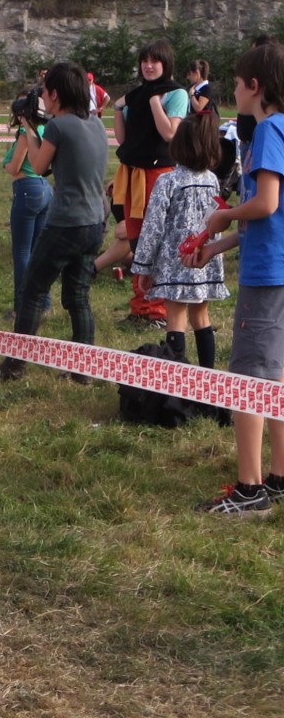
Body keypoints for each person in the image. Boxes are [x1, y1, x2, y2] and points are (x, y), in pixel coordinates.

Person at [185, 43, 284, 515]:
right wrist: (217, 246)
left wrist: (222, 216)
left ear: (254, 87)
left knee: (248, 376)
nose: (235, 92)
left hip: (268, 277)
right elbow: (270, 219)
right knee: (276, 375)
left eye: (239, 83)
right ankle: (279, 475)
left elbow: (264, 205)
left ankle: (250, 490)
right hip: (278, 269)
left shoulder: (268, 130)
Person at [0, 62, 109, 384]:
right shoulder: (94, 123)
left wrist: (28, 128)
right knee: (78, 297)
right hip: (95, 222)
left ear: (55, 94)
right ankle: (84, 372)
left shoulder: (58, 126)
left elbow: (38, 166)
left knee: (32, 292)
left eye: (45, 94)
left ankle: (14, 365)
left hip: (66, 222)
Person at [132, 110, 229, 370]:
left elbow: (152, 226)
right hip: (205, 259)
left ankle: (179, 382)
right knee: (201, 316)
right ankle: (208, 375)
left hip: (176, 263)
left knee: (176, 319)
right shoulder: (212, 181)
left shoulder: (168, 181)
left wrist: (143, 266)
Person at [111, 39, 189, 330]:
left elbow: (170, 133)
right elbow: (122, 139)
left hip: (159, 173)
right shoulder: (135, 95)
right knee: (136, 238)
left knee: (156, 238)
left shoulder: (176, 93)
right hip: (132, 172)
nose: (149, 65)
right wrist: (119, 109)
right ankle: (140, 307)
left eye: (155, 61)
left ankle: (157, 311)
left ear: (165, 64)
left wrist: (155, 101)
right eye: (145, 60)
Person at [2, 89, 52, 319]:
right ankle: (44, 303)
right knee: (38, 251)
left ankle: (22, 306)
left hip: (27, 189)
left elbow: (15, 166)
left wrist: (6, 164)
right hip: (45, 188)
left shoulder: (25, 132)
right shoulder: (45, 129)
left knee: (22, 251)